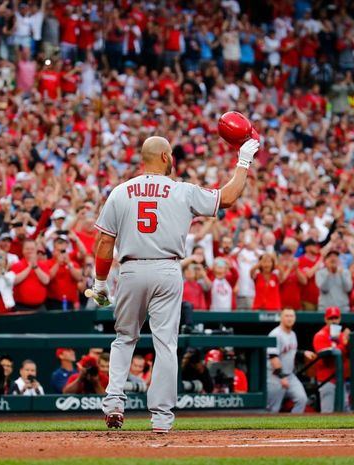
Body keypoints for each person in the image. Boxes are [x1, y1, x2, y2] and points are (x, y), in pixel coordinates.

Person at [92, 136, 260, 432]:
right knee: (165, 345)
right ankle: (161, 418)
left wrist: (101, 281)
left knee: (124, 338)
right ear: (167, 157)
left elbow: (105, 242)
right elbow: (228, 197)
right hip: (167, 269)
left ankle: (115, 403)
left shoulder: (120, 191)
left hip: (131, 270)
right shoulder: (182, 190)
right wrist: (243, 161)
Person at [267, 309, 315, 413]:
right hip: (275, 375)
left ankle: (292, 427)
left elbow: (290, 351)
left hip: (289, 375)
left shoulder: (292, 334)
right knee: (273, 409)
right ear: (281, 318)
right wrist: (282, 376)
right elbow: (273, 357)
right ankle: (268, 429)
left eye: (292, 316)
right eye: (287, 316)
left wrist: (303, 353)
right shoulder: (275, 334)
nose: (289, 318)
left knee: (302, 399)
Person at [312, 306, 350, 412]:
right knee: (328, 411)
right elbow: (328, 357)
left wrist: (348, 342)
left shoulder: (343, 336)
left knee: (345, 410)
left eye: (336, 318)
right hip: (326, 379)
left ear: (339, 319)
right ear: (326, 319)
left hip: (341, 379)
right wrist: (344, 344)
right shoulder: (320, 335)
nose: (333, 321)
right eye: (331, 318)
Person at [10, 240, 51, 311]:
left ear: (36, 250)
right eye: (27, 249)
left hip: (40, 307)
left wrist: (35, 267)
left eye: (32, 249)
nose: (29, 251)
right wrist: (29, 267)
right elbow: (14, 281)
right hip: (21, 307)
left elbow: (46, 281)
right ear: (23, 250)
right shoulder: (16, 265)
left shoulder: (43, 265)